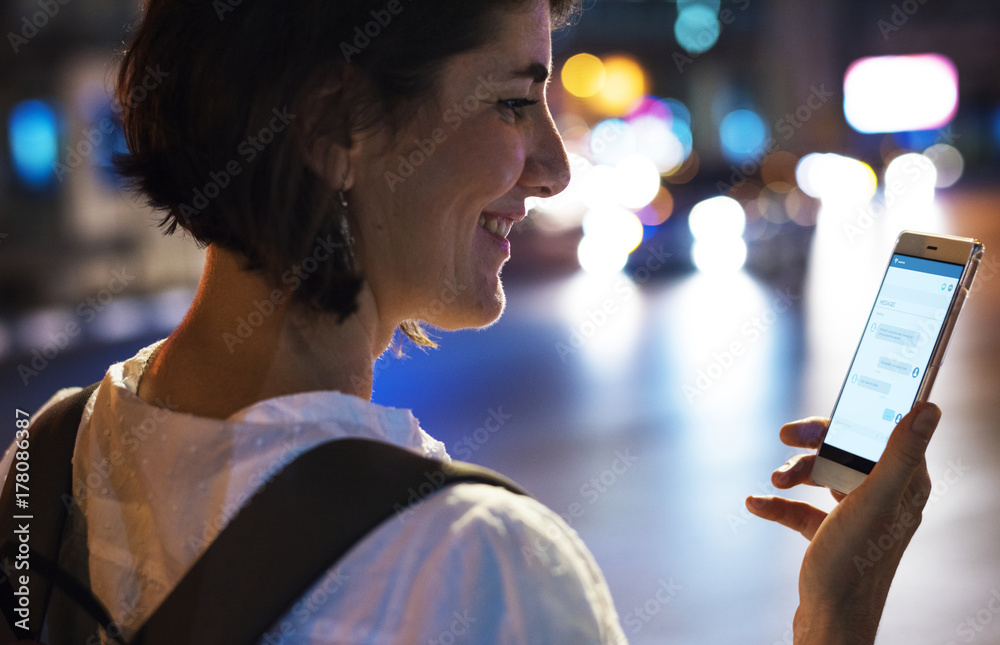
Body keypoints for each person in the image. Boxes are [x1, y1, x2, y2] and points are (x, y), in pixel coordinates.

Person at [0, 0, 942, 642]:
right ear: (338, 124)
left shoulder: (51, 456)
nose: (554, 168)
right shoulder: (477, 566)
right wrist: (838, 617)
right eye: (510, 102)